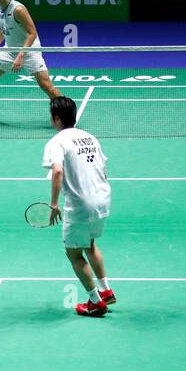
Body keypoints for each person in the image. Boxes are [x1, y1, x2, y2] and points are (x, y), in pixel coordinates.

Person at [43, 96, 114, 316]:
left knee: (73, 253)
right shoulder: (90, 137)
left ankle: (95, 302)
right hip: (102, 199)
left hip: (80, 205)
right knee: (89, 243)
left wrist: (54, 204)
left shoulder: (56, 142)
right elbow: (104, 170)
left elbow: (56, 170)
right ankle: (106, 290)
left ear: (56, 119)